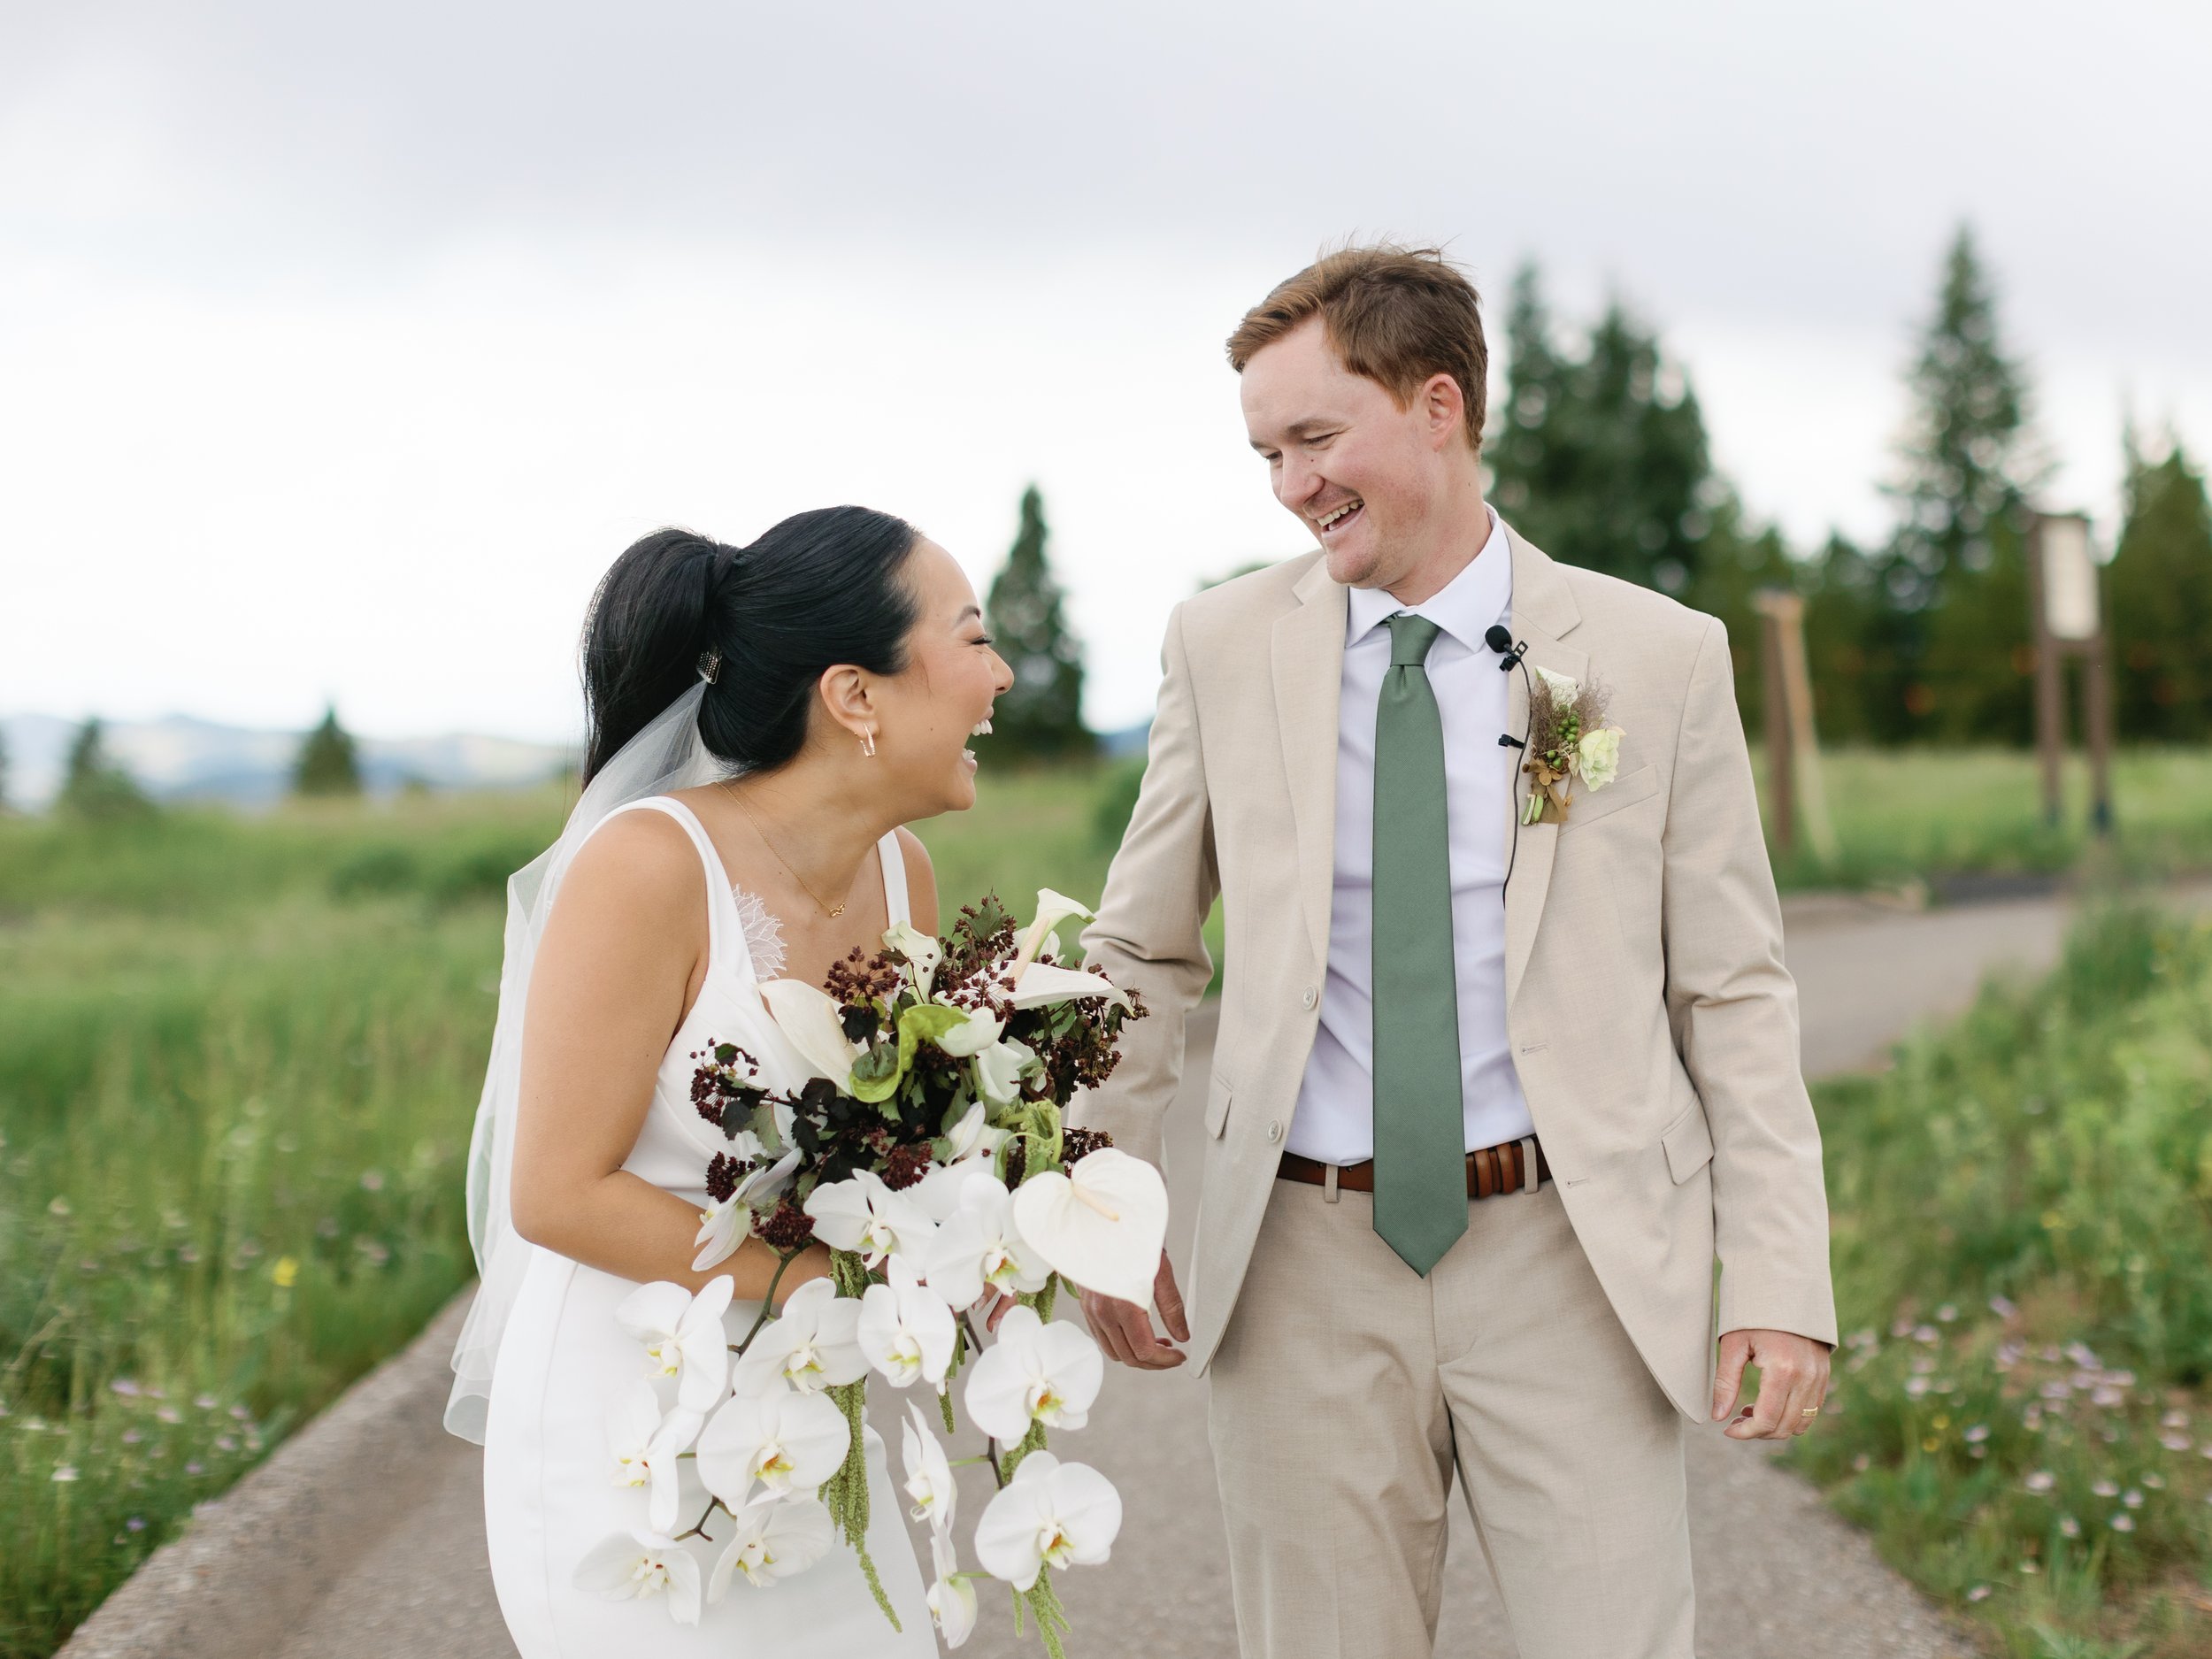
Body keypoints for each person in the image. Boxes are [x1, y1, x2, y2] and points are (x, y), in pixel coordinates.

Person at [1075, 245, 1838, 1658]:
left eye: (1316, 437)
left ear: (1439, 406)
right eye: (1267, 453)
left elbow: (1732, 988)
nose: (1291, 486)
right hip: (1299, 1266)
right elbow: (1141, 949)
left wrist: (1781, 1283)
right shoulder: (1220, 646)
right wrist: (1099, 1204)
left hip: (1573, 1255)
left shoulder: (1656, 654)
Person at [449, 509, 1012, 1655]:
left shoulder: (904, 872)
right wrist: (838, 1278)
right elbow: (556, 1191)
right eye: (971, 639)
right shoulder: (651, 866)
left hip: (800, 1412)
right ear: (855, 697)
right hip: (628, 1431)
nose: (1000, 676)